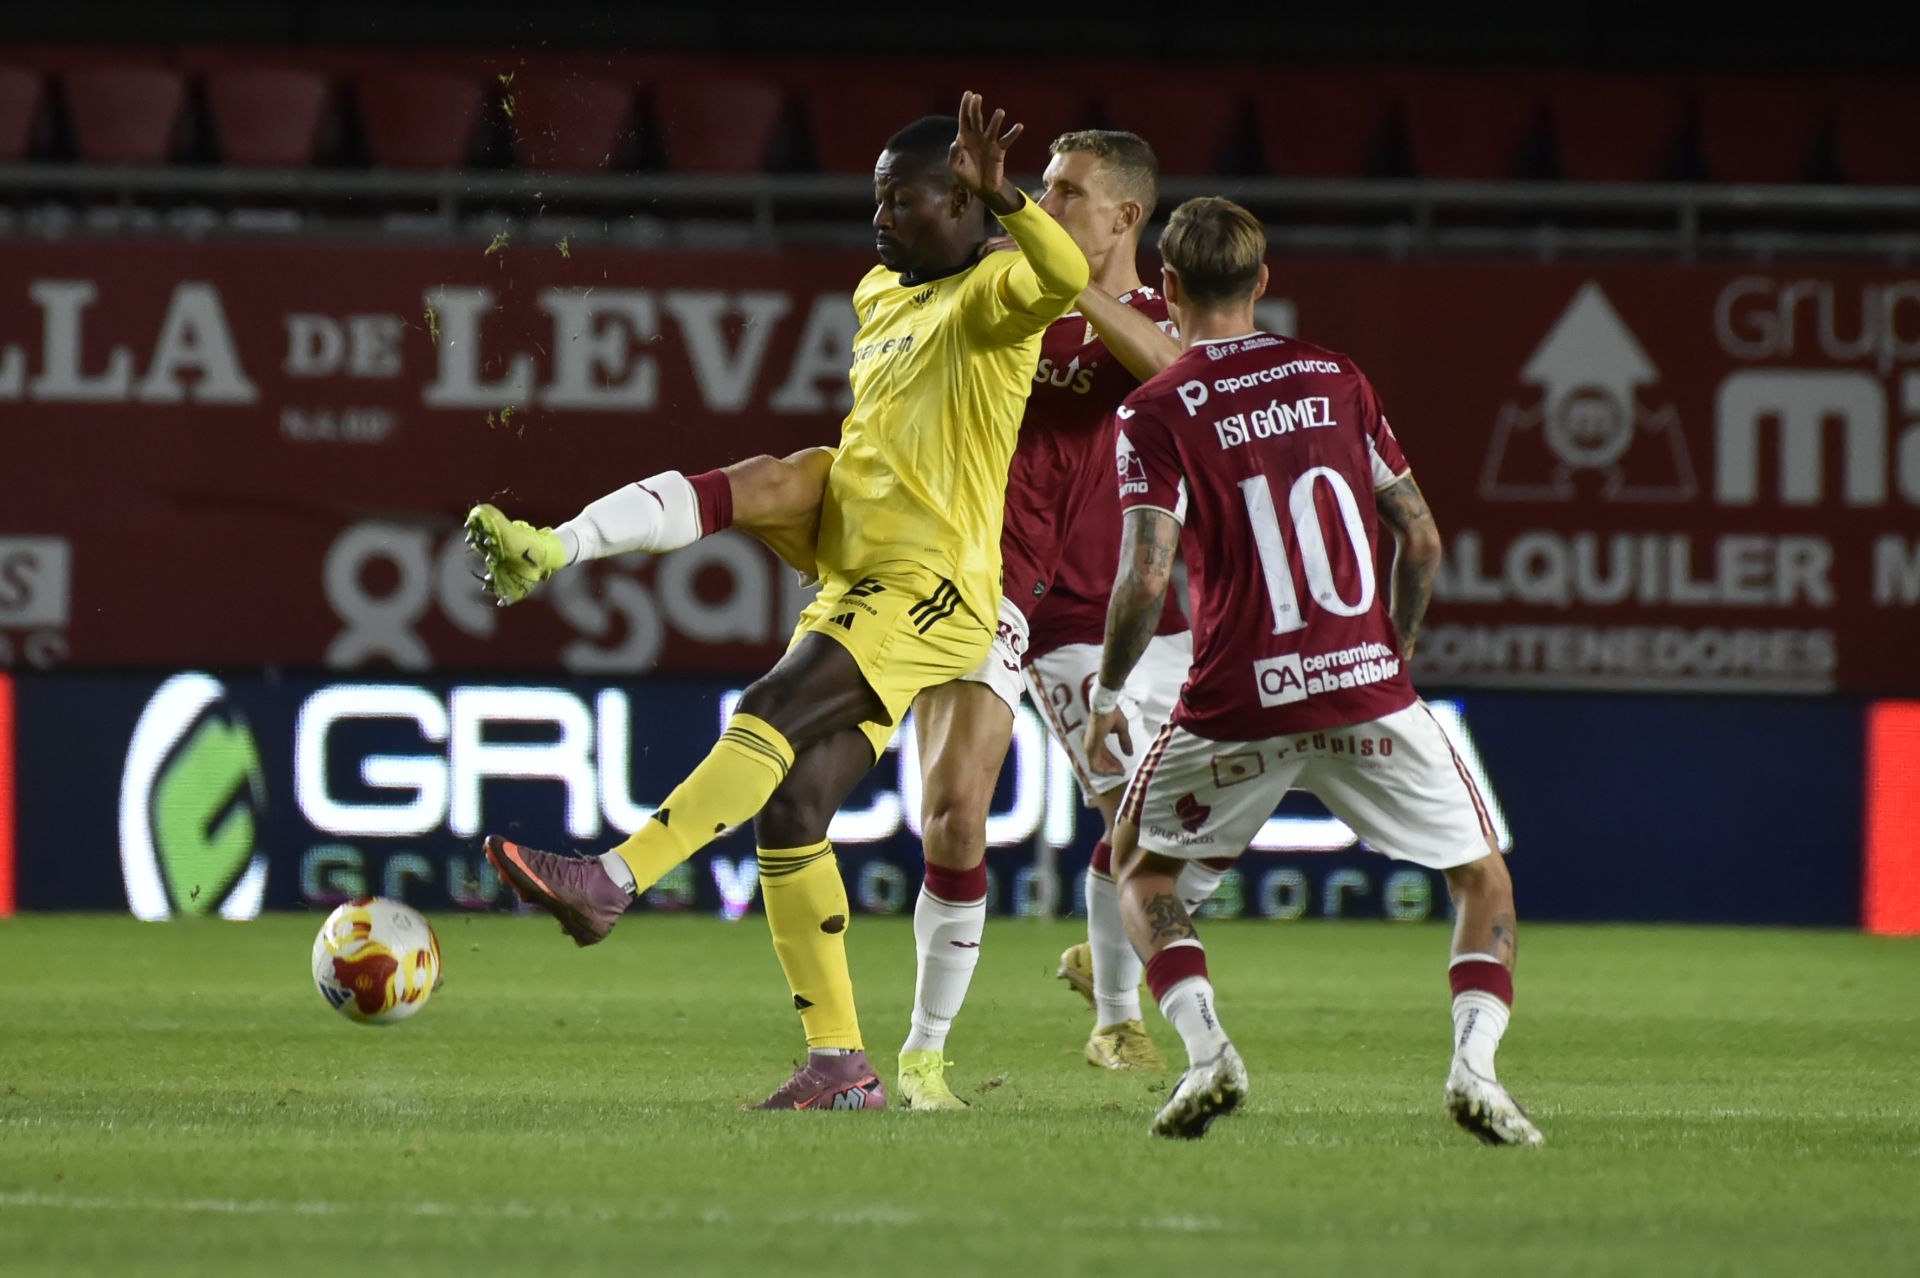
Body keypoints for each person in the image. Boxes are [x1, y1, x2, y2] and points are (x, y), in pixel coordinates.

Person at [470, 129, 1192, 1110]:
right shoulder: (879, 293)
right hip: (864, 558)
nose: (880, 217)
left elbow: (1085, 294)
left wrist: (1009, 202)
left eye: (904, 201)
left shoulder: (1004, 293)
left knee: (789, 712)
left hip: (945, 579)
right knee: (796, 800)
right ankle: (840, 1064)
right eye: (878, 199)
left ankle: (613, 880)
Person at [1083, 197, 1541, 1145]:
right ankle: (1475, 1072)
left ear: (1165, 290)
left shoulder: (1154, 409)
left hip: (1236, 693)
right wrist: (1396, 644)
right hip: (1362, 676)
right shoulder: (1337, 377)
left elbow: (1147, 574)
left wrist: (1109, 692)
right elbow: (1419, 537)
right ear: (1262, 280)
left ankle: (1210, 1053)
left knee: (1138, 869)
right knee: (1482, 881)